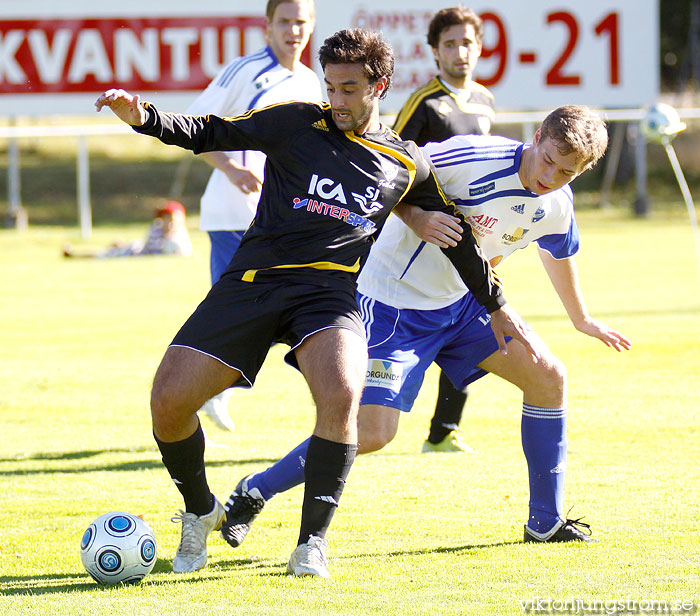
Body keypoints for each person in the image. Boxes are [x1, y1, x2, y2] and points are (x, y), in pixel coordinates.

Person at [95, 28, 536, 578]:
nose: (337, 100)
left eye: (349, 88)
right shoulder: (296, 120)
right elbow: (211, 130)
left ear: (381, 85)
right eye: (330, 86)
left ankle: (310, 545)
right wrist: (145, 118)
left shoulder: (407, 163)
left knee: (343, 393)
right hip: (253, 281)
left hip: (327, 295)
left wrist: (496, 305)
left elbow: (458, 237)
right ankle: (200, 509)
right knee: (168, 400)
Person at [220, 105, 632, 549]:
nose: (551, 176)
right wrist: (416, 217)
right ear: (536, 137)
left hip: (466, 306)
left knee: (549, 377)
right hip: (393, 307)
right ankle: (254, 491)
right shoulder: (468, 158)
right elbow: (384, 171)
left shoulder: (556, 203)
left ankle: (545, 522)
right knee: (374, 433)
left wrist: (581, 318)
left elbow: (558, 249)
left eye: (568, 172)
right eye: (548, 159)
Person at [188, 0, 322, 432]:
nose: (293, 29)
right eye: (284, 21)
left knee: (270, 313)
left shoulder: (311, 82)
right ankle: (200, 390)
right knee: (238, 314)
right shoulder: (244, 71)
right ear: (267, 27)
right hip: (233, 215)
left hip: (283, 221)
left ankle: (214, 390)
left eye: (301, 21)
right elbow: (195, 123)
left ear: (312, 25)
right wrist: (230, 167)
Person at [392, 5, 495, 453]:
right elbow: (391, 163)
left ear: (479, 47)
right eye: (449, 43)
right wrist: (414, 217)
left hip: (470, 236)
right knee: (419, 328)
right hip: (421, 235)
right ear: (435, 51)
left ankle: (442, 432)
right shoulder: (425, 101)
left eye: (466, 42)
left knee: (476, 328)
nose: (459, 51)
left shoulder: (486, 100)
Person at [62, 200, 192, 258]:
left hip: (137, 249)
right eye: (167, 218)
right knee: (102, 254)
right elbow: (150, 250)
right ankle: (74, 254)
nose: (170, 222)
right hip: (134, 251)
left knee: (106, 252)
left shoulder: (180, 235)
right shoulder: (155, 228)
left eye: (173, 218)